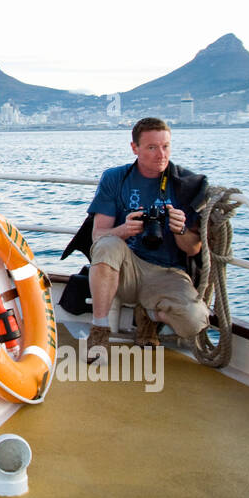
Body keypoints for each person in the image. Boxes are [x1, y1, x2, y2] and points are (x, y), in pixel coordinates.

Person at [81, 117, 210, 359]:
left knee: (195, 322)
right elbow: (97, 236)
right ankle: (99, 330)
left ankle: (148, 314)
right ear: (135, 148)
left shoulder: (185, 184)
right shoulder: (115, 178)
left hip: (167, 272)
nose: (161, 154)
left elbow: (193, 249)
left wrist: (180, 229)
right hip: (125, 268)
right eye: (152, 147)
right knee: (108, 245)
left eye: (166, 146)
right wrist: (124, 230)